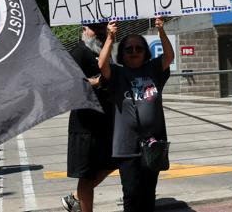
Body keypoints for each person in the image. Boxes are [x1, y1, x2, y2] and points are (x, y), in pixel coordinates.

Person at [98, 17, 174, 212]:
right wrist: (110, 38)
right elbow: (101, 65)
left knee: (148, 193)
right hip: (126, 146)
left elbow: (169, 57)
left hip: (153, 144)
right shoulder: (116, 73)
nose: (134, 52)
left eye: (138, 48)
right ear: (122, 54)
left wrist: (161, 32)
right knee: (131, 193)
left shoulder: (153, 69)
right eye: (129, 49)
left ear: (145, 52)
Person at [62, 23, 118, 212]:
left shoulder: (104, 51)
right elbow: (67, 85)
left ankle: (76, 197)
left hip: (105, 122)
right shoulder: (79, 52)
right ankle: (81, 203)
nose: (100, 31)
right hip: (85, 125)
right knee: (87, 175)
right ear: (84, 30)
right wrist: (93, 82)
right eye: (95, 27)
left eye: (102, 27)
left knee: (113, 162)